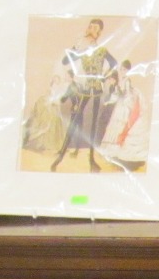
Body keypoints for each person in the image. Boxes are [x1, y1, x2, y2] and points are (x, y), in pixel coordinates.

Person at [49, 18, 118, 172]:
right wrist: (76, 47)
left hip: (97, 90)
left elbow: (114, 64)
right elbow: (66, 60)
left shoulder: (101, 50)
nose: (90, 29)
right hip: (85, 89)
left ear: (99, 32)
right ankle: (60, 157)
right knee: (75, 119)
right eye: (90, 26)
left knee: (93, 125)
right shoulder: (83, 50)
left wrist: (104, 76)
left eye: (94, 27)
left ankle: (92, 159)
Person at [98, 60, 150, 171]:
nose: (121, 71)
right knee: (114, 128)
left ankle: (121, 157)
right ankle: (114, 156)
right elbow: (117, 94)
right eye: (121, 69)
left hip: (124, 107)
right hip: (119, 106)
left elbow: (127, 94)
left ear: (128, 71)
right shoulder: (120, 81)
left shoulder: (127, 81)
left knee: (121, 128)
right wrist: (109, 100)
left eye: (124, 70)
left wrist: (123, 97)